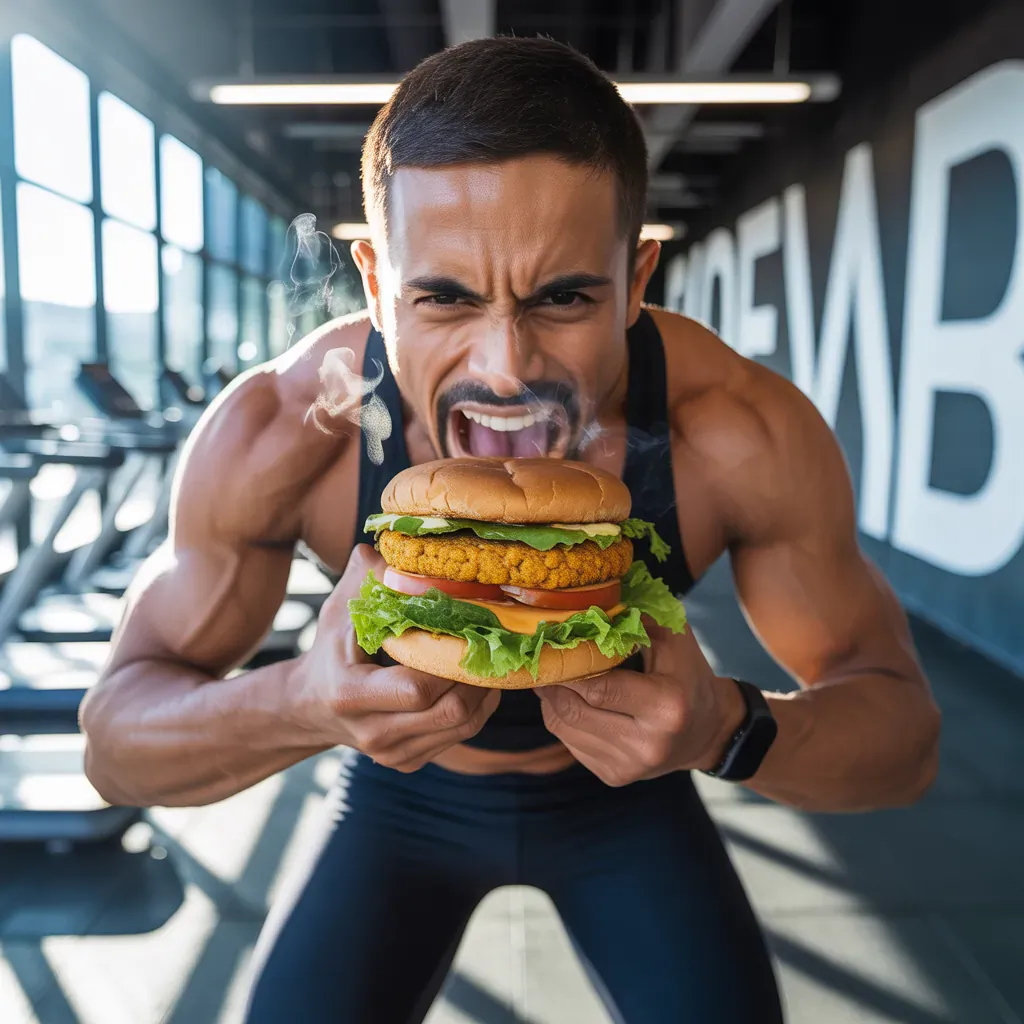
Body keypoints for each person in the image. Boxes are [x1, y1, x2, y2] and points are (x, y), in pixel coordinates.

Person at [80, 36, 941, 1024]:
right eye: (442, 296)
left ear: (637, 273)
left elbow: (903, 741)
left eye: (565, 295)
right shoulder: (283, 430)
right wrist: (303, 704)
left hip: (632, 799)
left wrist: (726, 725)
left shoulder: (737, 429)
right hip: (400, 799)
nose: (503, 366)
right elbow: (114, 746)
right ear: (372, 277)